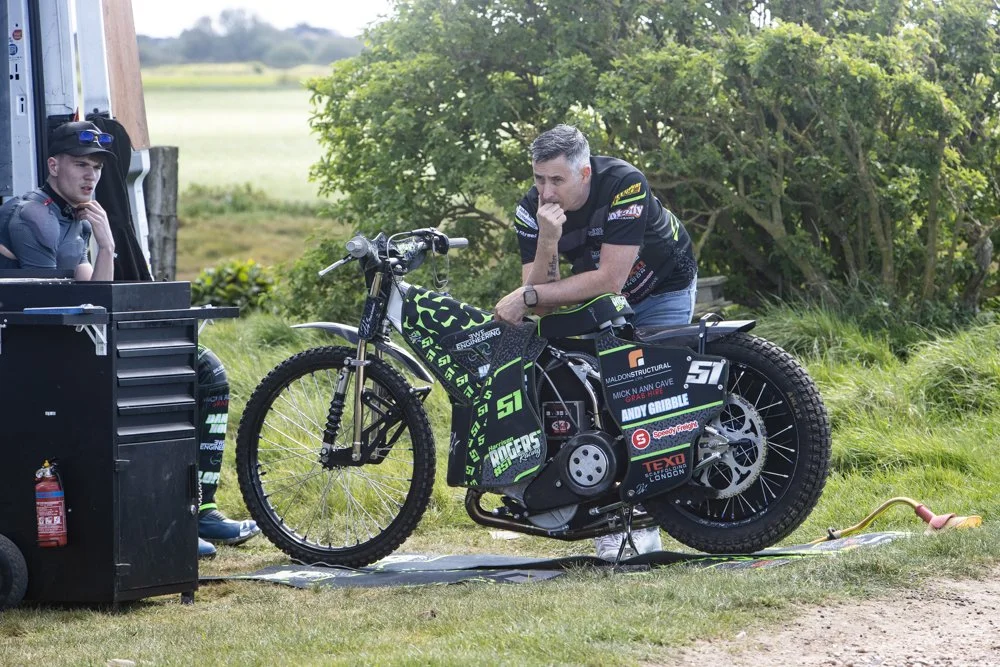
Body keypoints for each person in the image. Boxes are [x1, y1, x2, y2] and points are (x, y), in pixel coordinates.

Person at [0, 120, 259, 558]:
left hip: (74, 337)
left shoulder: (77, 217)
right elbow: (48, 303)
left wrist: (106, 246)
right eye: (81, 165)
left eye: (97, 169)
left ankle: (201, 507)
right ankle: (162, 521)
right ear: (53, 165)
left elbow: (91, 290)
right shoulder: (35, 216)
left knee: (207, 371)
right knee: (143, 384)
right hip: (37, 353)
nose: (91, 176)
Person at [494, 124, 698, 559]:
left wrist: (527, 295)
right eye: (538, 178)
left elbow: (610, 278)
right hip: (600, 296)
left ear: (584, 173)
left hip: (661, 286)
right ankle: (609, 512)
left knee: (647, 393)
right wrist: (547, 240)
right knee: (597, 394)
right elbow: (545, 304)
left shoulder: (624, 183)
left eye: (557, 180)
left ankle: (645, 523)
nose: (545, 191)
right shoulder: (531, 209)